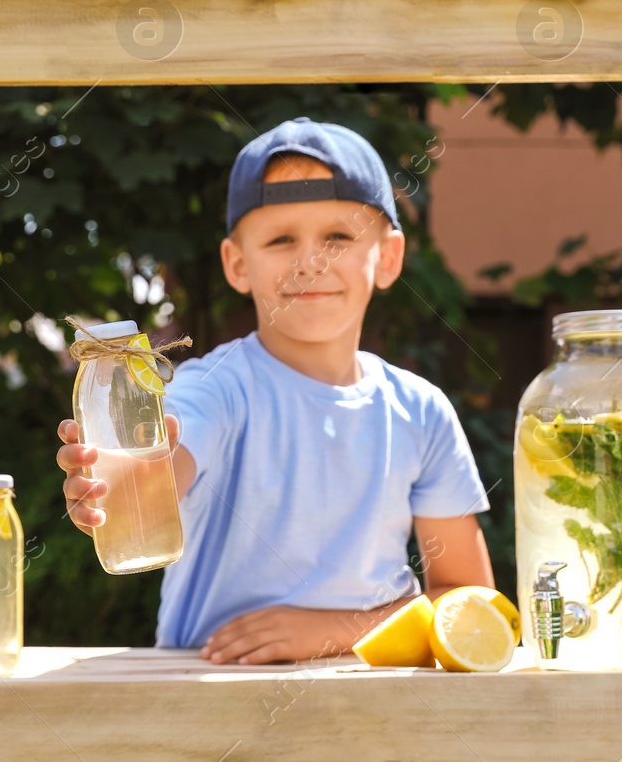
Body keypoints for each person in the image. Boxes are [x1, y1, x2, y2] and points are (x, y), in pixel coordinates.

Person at [56, 117, 494, 664]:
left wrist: (335, 631)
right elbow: (162, 468)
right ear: (237, 264)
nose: (310, 261)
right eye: (281, 239)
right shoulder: (215, 389)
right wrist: (123, 485)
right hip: (209, 720)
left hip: (378, 724)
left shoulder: (422, 411)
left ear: (388, 257)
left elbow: (471, 601)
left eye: (338, 236)